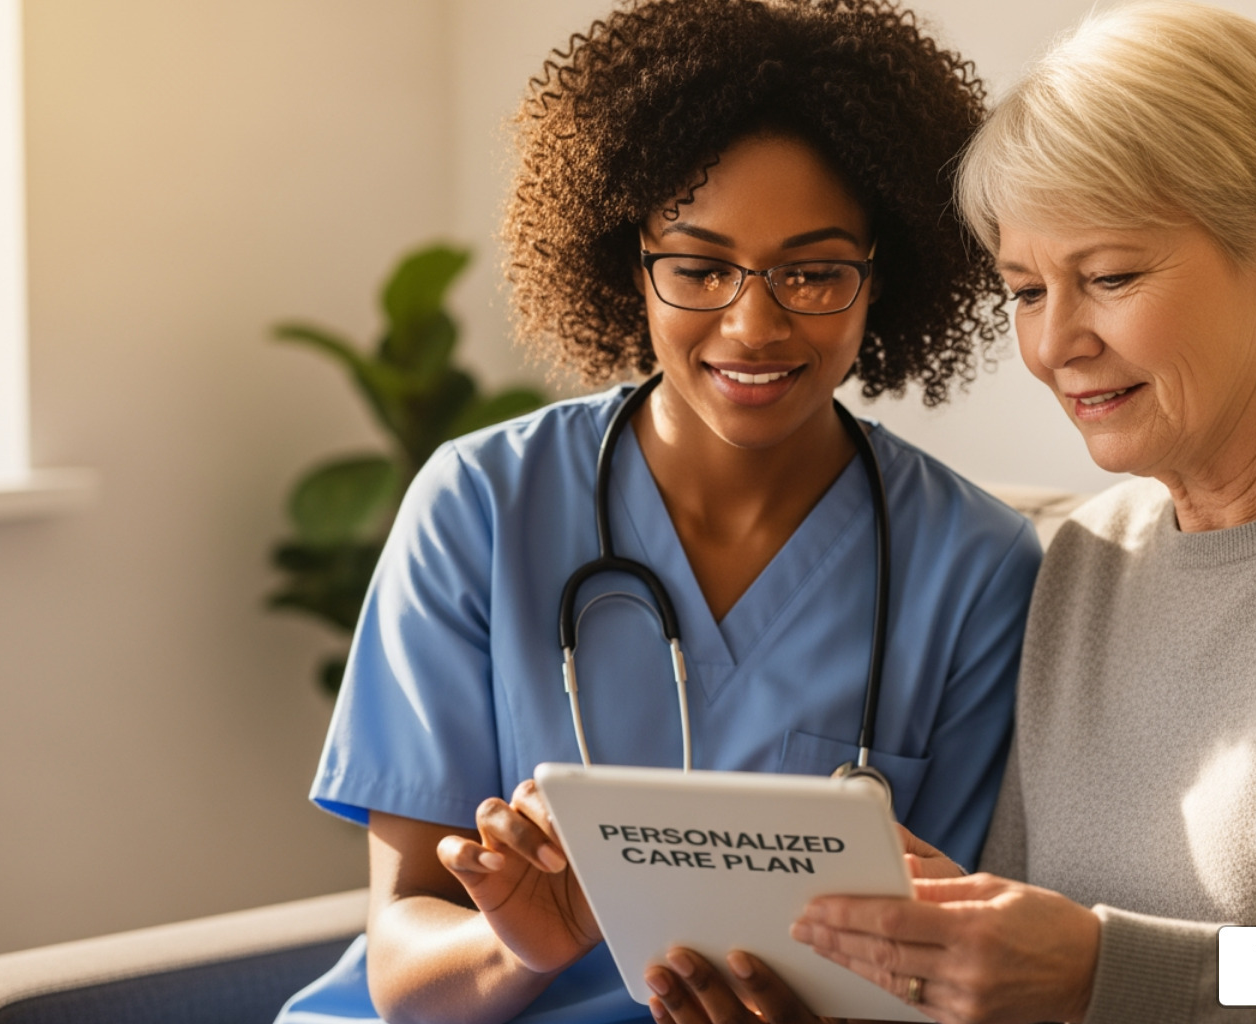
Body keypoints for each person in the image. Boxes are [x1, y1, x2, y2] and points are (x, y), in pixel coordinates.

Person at [642, 4, 1256, 1024]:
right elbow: (1035, 970)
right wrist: (891, 979)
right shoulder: (1092, 557)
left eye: (1109, 277)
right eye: (1025, 291)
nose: (1057, 344)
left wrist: (1105, 969)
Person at [274, 2, 1041, 1023]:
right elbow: (403, 974)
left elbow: (939, 968)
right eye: (699, 267)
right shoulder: (481, 505)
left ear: (881, 275)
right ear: (626, 264)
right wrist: (519, 947)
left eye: (814, 272)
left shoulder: (976, 568)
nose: (753, 323)